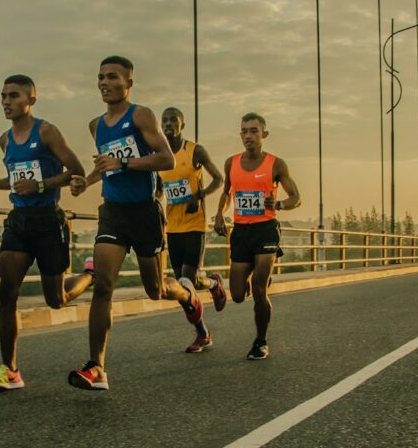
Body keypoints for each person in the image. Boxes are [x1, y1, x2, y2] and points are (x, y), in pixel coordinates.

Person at [66, 56, 204, 391]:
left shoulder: (140, 115)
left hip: (145, 212)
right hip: (113, 212)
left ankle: (187, 296)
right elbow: (106, 165)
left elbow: (166, 159)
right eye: (100, 76)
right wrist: (87, 181)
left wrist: (124, 162)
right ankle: (96, 367)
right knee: (104, 286)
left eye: (112, 76)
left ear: (129, 82)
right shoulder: (96, 125)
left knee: (155, 290)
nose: (104, 82)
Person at [0, 74, 94, 392]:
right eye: (3, 96)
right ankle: (10, 370)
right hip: (18, 222)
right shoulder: (5, 139)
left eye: (13, 96)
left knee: (57, 299)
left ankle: (88, 276)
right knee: (7, 291)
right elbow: (15, 179)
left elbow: (76, 171)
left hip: (48, 222)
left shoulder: (46, 131)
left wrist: (40, 185)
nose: (6, 102)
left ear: (30, 100)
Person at [212, 112, 301, 361]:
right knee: (238, 294)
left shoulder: (276, 164)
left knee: (259, 290)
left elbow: (296, 197)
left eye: (253, 131)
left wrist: (280, 204)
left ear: (264, 134)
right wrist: (220, 214)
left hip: (265, 229)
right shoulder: (231, 162)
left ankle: (260, 341)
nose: (248, 135)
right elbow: (227, 191)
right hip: (241, 232)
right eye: (244, 131)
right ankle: (254, 277)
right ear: (240, 135)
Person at [157, 106, 226, 353]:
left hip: (195, 223)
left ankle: (201, 334)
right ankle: (213, 285)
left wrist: (200, 195)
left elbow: (219, 178)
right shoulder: (160, 155)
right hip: (172, 226)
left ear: (181, 125)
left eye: (173, 120)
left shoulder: (194, 151)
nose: (168, 124)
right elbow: (158, 189)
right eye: (164, 120)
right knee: (184, 286)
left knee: (186, 280)